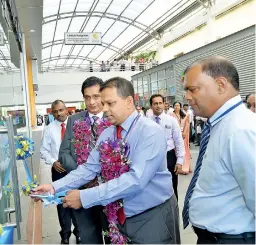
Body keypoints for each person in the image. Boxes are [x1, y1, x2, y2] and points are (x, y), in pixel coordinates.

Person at [33, 77, 181, 244]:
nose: (105, 109)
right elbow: (89, 168)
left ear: (129, 101)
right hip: (122, 218)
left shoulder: (150, 132)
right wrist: (54, 187)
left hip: (152, 215)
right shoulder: (108, 134)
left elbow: (136, 180)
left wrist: (84, 197)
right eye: (104, 104)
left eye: (110, 103)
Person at [182, 56, 256, 244]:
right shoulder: (220, 124)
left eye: (192, 89)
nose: (187, 97)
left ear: (221, 85)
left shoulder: (240, 130)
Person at [58, 77, 110, 244]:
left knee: (112, 235)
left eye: (96, 96)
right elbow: (64, 153)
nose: (92, 102)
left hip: (109, 192)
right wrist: (83, 174)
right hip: (81, 192)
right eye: (87, 97)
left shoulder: (113, 119)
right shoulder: (74, 120)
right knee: (88, 237)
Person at [40, 100, 80, 244]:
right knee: (61, 203)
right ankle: (65, 235)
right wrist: (53, 162)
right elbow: (43, 150)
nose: (59, 114)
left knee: (77, 199)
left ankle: (79, 232)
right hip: (58, 170)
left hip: (76, 170)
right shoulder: (50, 129)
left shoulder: (76, 125)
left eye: (61, 110)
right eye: (55, 111)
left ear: (67, 110)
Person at [149, 94, 185, 200]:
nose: (158, 106)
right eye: (155, 103)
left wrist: (180, 161)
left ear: (164, 104)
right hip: (152, 157)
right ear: (151, 106)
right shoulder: (146, 122)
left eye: (160, 103)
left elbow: (178, 141)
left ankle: (173, 212)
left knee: (172, 186)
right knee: (154, 187)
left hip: (169, 156)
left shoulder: (171, 120)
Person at [172, 102, 192, 174]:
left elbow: (187, 124)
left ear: (180, 107)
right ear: (173, 107)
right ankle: (177, 167)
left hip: (183, 135)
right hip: (175, 135)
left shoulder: (185, 115)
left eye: (178, 105)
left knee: (184, 150)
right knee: (176, 150)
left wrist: (184, 133)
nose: (177, 107)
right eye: (175, 105)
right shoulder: (171, 115)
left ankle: (185, 167)